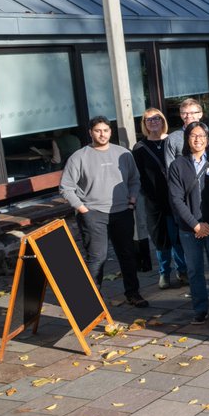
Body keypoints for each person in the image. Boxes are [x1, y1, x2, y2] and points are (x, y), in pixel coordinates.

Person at [59, 117, 146, 307]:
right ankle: (92, 301)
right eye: (98, 130)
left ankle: (133, 293)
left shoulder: (123, 153)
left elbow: (135, 179)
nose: (102, 134)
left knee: (128, 254)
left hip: (122, 211)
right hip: (93, 213)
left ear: (110, 131)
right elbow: (66, 187)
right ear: (90, 132)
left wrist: (131, 201)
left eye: (106, 130)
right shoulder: (79, 157)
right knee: (97, 257)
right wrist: (83, 209)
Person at [167, 121, 209, 323]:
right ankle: (200, 309)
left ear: (208, 139)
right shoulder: (178, 165)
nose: (198, 139)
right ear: (187, 139)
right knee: (195, 270)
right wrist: (196, 225)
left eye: (202, 136)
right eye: (193, 135)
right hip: (189, 228)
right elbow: (176, 199)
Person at [133, 107, 181, 289]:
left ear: (163, 120)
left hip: (174, 197)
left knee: (177, 236)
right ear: (144, 124)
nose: (153, 122)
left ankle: (182, 270)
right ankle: (164, 273)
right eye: (148, 120)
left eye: (157, 118)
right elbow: (138, 175)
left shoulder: (173, 141)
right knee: (160, 238)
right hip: (154, 201)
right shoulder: (139, 148)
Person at [164, 97, 209, 166]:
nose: (188, 116)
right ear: (180, 115)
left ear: (200, 114)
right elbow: (170, 167)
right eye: (184, 113)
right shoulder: (172, 138)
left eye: (192, 113)